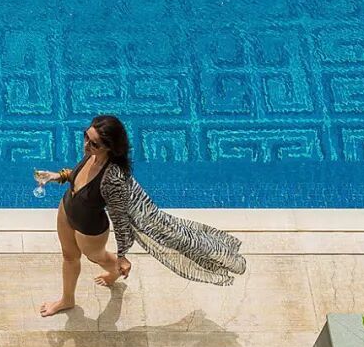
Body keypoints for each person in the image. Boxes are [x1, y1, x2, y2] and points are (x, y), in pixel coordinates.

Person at [36, 115, 246, 317]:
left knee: (96, 257)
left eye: (94, 143)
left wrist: (122, 255)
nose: (86, 145)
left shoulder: (113, 179)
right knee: (69, 257)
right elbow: (79, 177)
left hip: (89, 227)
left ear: (109, 147)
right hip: (67, 209)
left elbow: (120, 220)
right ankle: (67, 300)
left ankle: (115, 270)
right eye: (86, 137)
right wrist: (58, 176)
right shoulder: (93, 154)